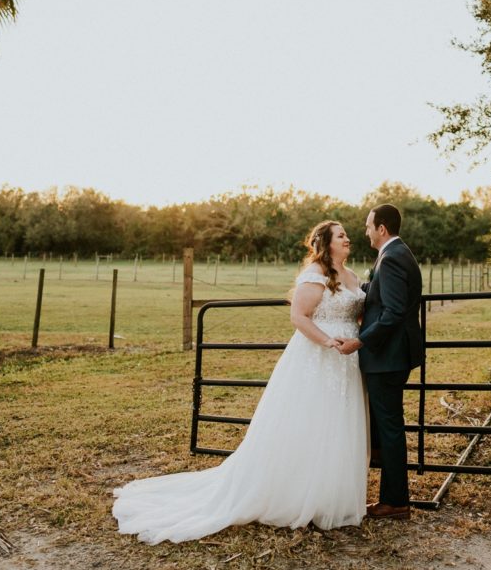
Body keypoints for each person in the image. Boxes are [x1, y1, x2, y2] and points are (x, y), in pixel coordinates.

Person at [113, 221, 368, 544]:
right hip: (319, 358)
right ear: (326, 243)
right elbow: (299, 317)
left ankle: (331, 495)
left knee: (337, 424)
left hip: (348, 360)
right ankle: (297, 494)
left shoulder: (353, 277)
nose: (348, 239)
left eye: (347, 234)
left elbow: (356, 314)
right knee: (309, 421)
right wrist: (328, 342)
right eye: (341, 235)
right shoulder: (316, 274)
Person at [335, 204, 423, 520]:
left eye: (369, 225)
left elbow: (394, 312)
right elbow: (384, 295)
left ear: (382, 228)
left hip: (388, 358)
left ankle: (396, 501)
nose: (366, 230)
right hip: (391, 356)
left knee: (390, 428)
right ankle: (392, 497)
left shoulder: (393, 258)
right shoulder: (394, 255)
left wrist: (360, 340)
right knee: (388, 426)